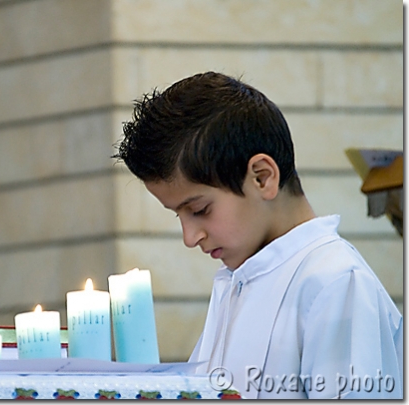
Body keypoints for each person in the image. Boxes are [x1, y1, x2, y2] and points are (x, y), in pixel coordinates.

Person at [112, 72, 402, 399]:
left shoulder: (337, 284)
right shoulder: (238, 280)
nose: (189, 237)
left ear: (262, 178)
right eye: (177, 215)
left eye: (199, 210)